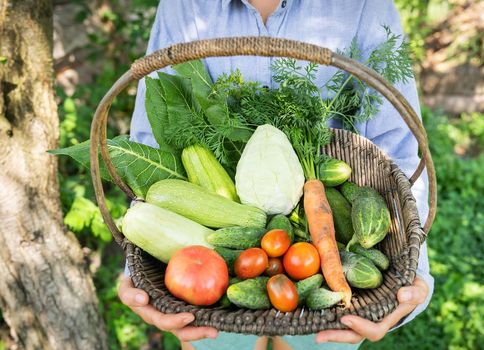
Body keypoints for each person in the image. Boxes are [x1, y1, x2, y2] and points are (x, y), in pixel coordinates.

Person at [119, 0, 434, 349]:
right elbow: (153, 135)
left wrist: (414, 269)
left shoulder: (364, 5)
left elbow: (397, 152)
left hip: (320, 253)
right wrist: (138, 264)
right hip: (204, 272)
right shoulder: (184, 5)